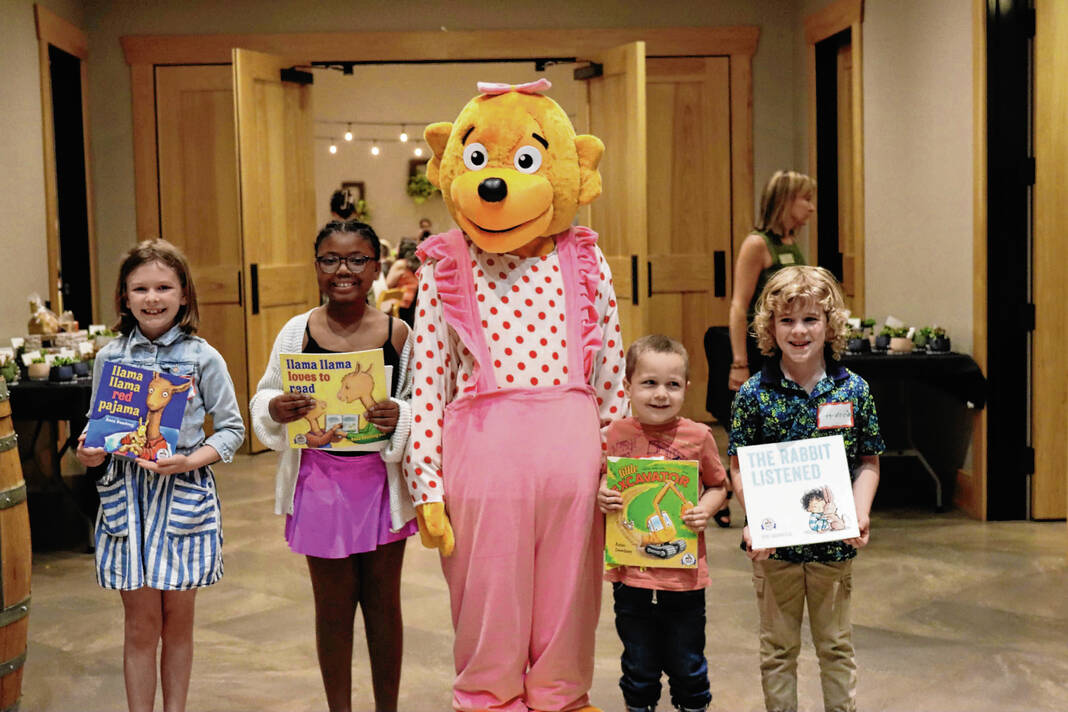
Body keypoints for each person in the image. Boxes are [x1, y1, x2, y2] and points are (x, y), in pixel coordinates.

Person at [249, 219, 417, 712]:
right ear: (317, 265)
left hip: (380, 488)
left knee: (384, 605)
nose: (343, 270)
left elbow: (421, 404)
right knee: (333, 608)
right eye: (330, 260)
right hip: (319, 482)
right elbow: (264, 392)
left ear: (376, 266)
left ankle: (388, 706)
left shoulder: (399, 333)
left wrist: (399, 416)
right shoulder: (296, 333)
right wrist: (276, 409)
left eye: (357, 259)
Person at [76, 239, 245, 712]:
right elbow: (96, 430)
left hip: (183, 499)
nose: (153, 298)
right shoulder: (109, 357)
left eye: (164, 287)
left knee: (179, 621)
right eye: (141, 288)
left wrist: (190, 460)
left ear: (184, 294)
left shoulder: (203, 358)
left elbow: (232, 429)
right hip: (125, 503)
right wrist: (90, 454)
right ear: (124, 298)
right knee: (139, 624)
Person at [728, 265, 883, 712]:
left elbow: (868, 461)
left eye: (811, 319)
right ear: (769, 327)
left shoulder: (854, 390)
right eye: (786, 320)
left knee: (835, 647)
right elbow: (740, 466)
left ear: (830, 325)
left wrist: (859, 511)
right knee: (778, 650)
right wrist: (756, 519)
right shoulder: (754, 394)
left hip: (833, 547)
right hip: (775, 550)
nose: (798, 331)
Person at [597, 334, 728, 712]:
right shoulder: (615, 435)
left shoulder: (698, 436)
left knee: (687, 663)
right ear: (627, 386)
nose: (660, 394)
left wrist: (706, 507)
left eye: (672, 385)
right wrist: (602, 493)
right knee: (638, 664)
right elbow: (605, 479)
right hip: (630, 574)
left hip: (684, 577)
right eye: (649, 383)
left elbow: (720, 485)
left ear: (686, 388)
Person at [717, 170, 815, 529]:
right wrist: (739, 362)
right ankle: (751, 510)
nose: (812, 208)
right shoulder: (757, 244)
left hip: (786, 353)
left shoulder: (791, 242)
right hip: (760, 354)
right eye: (806, 199)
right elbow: (739, 306)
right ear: (786, 201)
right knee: (756, 436)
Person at [378, 237, 419, 324]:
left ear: (402, 249)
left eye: (397, 247)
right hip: (413, 305)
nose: (395, 250)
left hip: (400, 305)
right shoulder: (415, 264)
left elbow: (387, 285)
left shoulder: (400, 264)